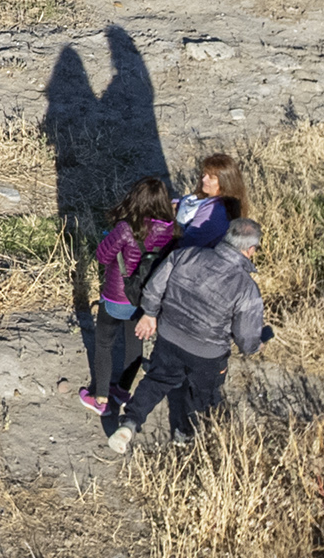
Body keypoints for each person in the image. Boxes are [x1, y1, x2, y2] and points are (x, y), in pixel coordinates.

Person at [108, 217, 268, 453]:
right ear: (250, 249)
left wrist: (150, 314)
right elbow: (246, 337)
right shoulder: (247, 288)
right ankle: (185, 435)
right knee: (202, 395)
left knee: (157, 380)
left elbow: (154, 287)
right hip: (208, 354)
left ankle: (130, 423)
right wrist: (256, 346)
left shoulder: (186, 255)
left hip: (169, 336)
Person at [85, 177, 178, 417]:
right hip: (148, 299)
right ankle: (122, 390)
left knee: (104, 344)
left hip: (117, 296)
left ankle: (101, 399)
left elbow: (103, 256)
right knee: (135, 344)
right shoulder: (172, 229)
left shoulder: (126, 228)